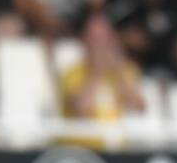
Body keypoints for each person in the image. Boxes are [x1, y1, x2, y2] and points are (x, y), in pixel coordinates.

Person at [59, 13, 145, 141]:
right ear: (84, 40)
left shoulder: (126, 70)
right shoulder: (72, 73)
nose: (101, 45)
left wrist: (118, 73)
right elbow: (80, 111)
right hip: (83, 148)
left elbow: (138, 107)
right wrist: (96, 73)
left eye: (105, 38)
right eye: (95, 38)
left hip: (118, 148)